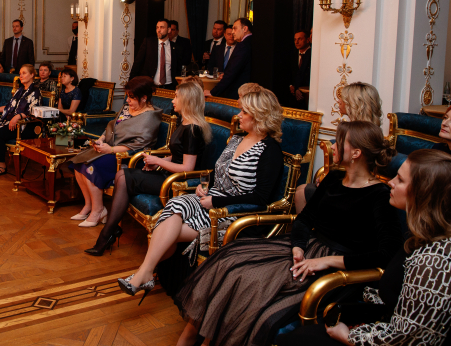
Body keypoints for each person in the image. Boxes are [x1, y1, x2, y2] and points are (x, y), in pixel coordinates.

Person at [173, 121, 402, 346]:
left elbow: (387, 254)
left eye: (339, 142)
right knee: (228, 260)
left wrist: (327, 261)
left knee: (252, 284)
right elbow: (305, 219)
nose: (332, 146)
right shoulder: (333, 178)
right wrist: (298, 246)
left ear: (356, 153)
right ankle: (190, 338)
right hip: (306, 247)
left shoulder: (380, 195)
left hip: (337, 267)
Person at [118, 86, 284, 293]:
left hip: (234, 213)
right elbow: (215, 172)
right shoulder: (237, 139)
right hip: (211, 199)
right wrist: (203, 187)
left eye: (244, 112)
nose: (239, 115)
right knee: (176, 203)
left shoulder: (270, 150)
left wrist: (216, 201)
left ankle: (145, 274)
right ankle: (147, 274)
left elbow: (260, 198)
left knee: (167, 229)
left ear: (259, 116)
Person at [278, 149, 451, 346]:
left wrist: (348, 336)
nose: (391, 182)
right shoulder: (424, 238)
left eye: (401, 180)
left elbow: (407, 338)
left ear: (424, 193)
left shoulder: (434, 260)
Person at [86, 79, 212, 256]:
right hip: (167, 175)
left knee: (124, 178)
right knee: (122, 175)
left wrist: (158, 162)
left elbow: (187, 167)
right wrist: (156, 162)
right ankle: (109, 232)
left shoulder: (192, 129)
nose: (172, 101)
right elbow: (177, 155)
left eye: (176, 97)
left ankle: (107, 234)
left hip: (177, 183)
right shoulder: (184, 123)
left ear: (187, 100)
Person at [68, 77, 162, 227]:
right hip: (110, 149)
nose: (127, 100)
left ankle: (99, 210)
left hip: (129, 158)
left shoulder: (149, 117)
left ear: (144, 98)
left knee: (91, 167)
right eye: (127, 96)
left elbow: (138, 145)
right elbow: (111, 126)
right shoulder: (127, 107)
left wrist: (110, 149)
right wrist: (101, 140)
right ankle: (88, 205)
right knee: (79, 162)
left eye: (132, 97)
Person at [294, 82, 383, 213]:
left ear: (354, 103)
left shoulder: (364, 134)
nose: (338, 101)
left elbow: (359, 170)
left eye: (343, 98)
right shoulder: (358, 128)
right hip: (345, 179)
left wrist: (329, 181)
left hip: (354, 189)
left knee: (301, 193)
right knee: (302, 190)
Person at [0, 64, 41, 177]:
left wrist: (18, 117)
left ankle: (1, 165)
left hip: (24, 126)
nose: (21, 76)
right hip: (11, 122)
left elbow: (34, 111)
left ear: (32, 75)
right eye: (20, 73)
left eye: (24, 73)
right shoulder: (20, 90)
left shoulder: (35, 91)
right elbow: (9, 107)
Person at [129, 19, 183, 90]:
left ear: (169, 30)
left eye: (162, 27)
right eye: (157, 27)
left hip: (169, 87)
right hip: (150, 86)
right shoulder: (148, 43)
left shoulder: (175, 47)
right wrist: (131, 85)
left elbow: (178, 69)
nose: (159, 30)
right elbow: (137, 64)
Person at [206, 17, 252, 99]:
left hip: (240, 92)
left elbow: (232, 72)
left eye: (235, 28)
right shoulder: (251, 42)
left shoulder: (242, 45)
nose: (233, 32)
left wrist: (213, 92)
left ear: (245, 29)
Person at [290, 30, 311, 109]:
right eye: (295, 39)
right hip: (293, 97)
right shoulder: (293, 55)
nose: (296, 42)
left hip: (308, 97)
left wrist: (298, 88)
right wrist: (291, 85)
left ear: (308, 40)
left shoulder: (312, 54)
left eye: (300, 39)